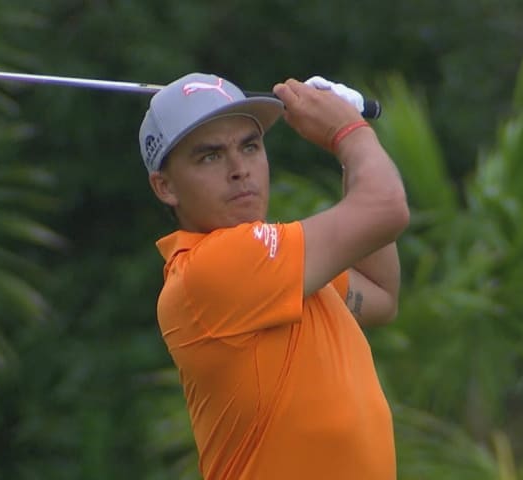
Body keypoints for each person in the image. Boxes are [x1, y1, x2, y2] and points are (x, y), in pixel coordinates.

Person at [139, 72, 409, 480]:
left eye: (249, 147)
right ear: (165, 187)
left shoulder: (282, 264)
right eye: (209, 156)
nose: (239, 169)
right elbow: (387, 209)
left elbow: (380, 294)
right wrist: (349, 132)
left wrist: (352, 142)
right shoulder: (215, 266)